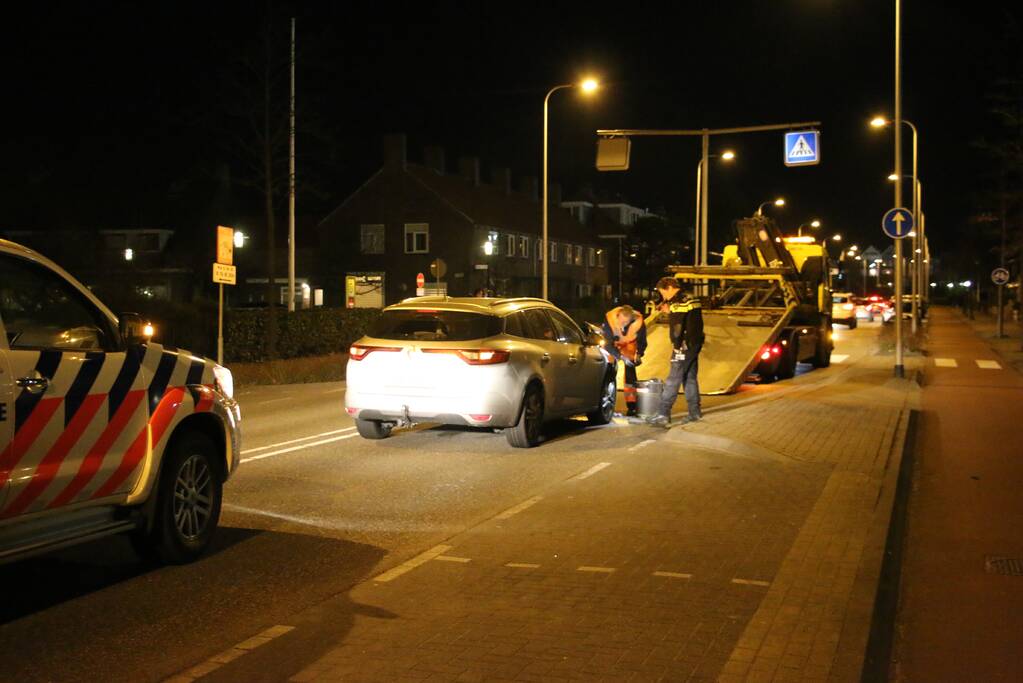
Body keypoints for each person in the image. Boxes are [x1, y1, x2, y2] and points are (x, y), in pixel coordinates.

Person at [647, 276, 704, 427]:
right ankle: (694, 413)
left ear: (669, 288)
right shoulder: (691, 298)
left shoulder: (679, 303)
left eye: (663, 293)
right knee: (690, 378)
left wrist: (677, 345)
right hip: (695, 343)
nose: (663, 297)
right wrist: (671, 310)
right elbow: (689, 319)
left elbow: (678, 328)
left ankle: (663, 414)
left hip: (683, 345)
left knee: (673, 379)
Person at [601, 304, 647, 417]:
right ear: (618, 316)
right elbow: (607, 343)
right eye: (621, 322)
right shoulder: (610, 320)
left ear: (631, 320)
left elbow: (642, 342)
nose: (622, 325)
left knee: (630, 375)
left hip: (629, 346)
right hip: (612, 345)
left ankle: (632, 406)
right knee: (607, 369)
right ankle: (604, 401)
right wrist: (620, 357)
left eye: (625, 323)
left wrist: (639, 354)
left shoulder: (639, 322)